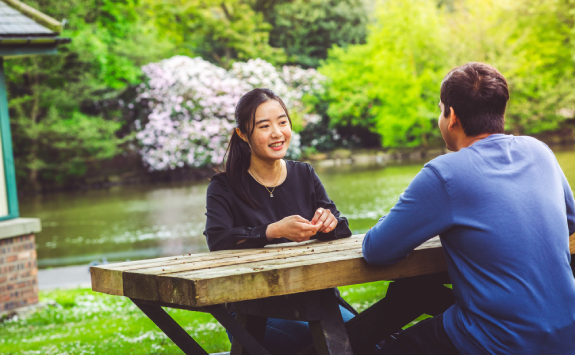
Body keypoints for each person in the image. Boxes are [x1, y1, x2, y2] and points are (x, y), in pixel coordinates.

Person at [363, 62, 575, 354]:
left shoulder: (445, 173)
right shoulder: (540, 152)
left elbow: (377, 249)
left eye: (440, 109)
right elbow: (571, 223)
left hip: (499, 341)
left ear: (452, 117)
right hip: (566, 334)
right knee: (416, 297)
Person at [203, 88, 356, 355]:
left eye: (282, 122)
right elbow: (218, 239)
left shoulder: (304, 173)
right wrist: (273, 231)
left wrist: (328, 224)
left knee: (371, 338)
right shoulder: (224, 185)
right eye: (264, 126)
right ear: (242, 134)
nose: (277, 133)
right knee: (333, 345)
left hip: (316, 301)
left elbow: (342, 227)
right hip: (253, 310)